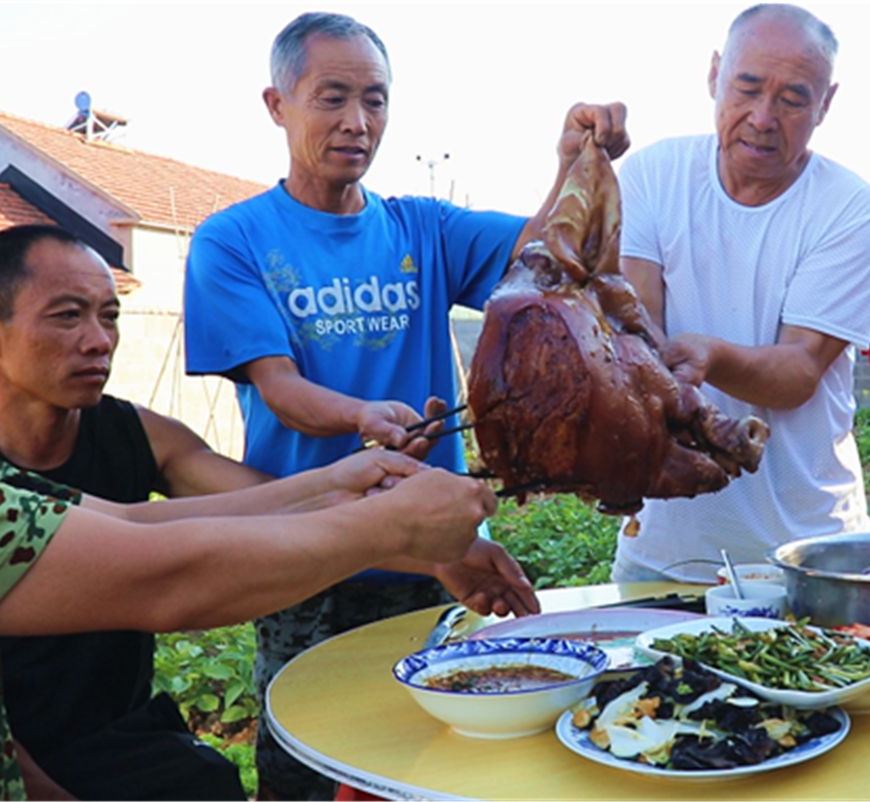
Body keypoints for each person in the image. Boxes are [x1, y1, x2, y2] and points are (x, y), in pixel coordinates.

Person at [182, 11, 627, 797]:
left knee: (432, 755)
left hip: (433, 552)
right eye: (332, 98)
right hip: (302, 551)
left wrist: (568, 165)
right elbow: (280, 390)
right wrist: (362, 417)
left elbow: (543, 253)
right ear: (276, 103)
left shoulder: (420, 225)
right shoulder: (234, 240)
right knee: (307, 756)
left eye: (375, 100)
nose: (357, 122)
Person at [0, 221, 531, 800]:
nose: (98, 340)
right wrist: (387, 524)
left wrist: (414, 543)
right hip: (10, 760)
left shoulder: (130, 435)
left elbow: (178, 517)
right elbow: (170, 577)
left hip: (129, 744)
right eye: (67, 316)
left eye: (109, 316)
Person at [611, 3, 870, 583]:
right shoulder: (653, 177)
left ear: (825, 104)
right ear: (715, 75)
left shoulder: (847, 208)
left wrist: (710, 356)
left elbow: (798, 372)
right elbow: (634, 330)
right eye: (748, 87)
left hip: (809, 558)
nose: (763, 117)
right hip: (662, 554)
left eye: (793, 99)